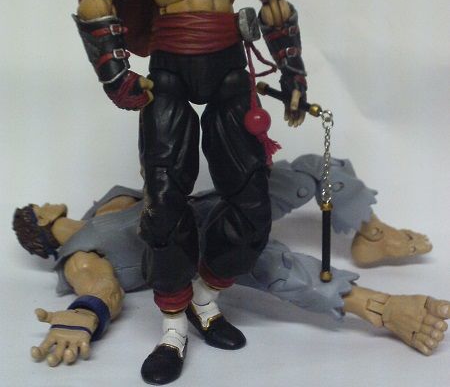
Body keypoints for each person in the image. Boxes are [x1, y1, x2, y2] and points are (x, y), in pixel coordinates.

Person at [73, 0, 310, 384]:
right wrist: (117, 75)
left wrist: (294, 73)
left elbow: (274, 1)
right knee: (163, 203)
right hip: (171, 71)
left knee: (252, 205)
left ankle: (206, 295)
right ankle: (173, 325)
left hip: (228, 68)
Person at [13, 155, 448, 380]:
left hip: (217, 201)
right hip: (206, 248)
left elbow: (156, 183)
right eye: (40, 206)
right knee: (275, 266)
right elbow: (101, 289)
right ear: (43, 220)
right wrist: (82, 317)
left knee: (312, 170)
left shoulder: (105, 206)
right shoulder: (81, 257)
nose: (48, 202)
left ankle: (373, 234)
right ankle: (382, 307)